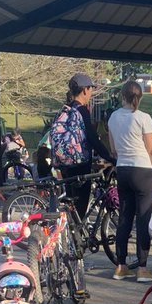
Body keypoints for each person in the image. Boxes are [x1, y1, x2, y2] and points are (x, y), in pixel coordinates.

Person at [107, 78, 152, 283]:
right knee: (143, 218)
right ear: (139, 98)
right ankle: (142, 268)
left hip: (123, 169)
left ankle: (121, 265)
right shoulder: (143, 118)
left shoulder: (113, 117)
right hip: (143, 170)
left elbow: (113, 149)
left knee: (124, 217)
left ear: (122, 96)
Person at [48, 72, 110, 216]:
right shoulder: (82, 110)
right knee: (80, 206)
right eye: (91, 89)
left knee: (71, 203)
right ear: (84, 90)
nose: (91, 93)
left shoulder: (65, 109)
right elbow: (92, 138)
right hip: (80, 164)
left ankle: (69, 232)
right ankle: (78, 236)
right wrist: (108, 156)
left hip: (64, 163)